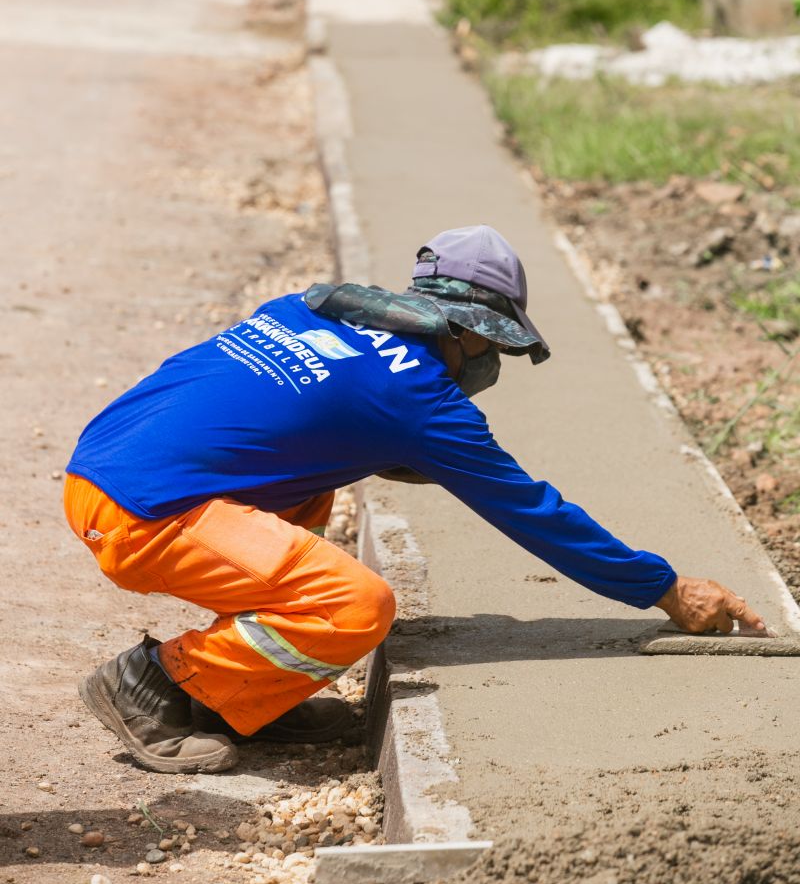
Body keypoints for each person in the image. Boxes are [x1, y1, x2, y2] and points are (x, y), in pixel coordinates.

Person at [64, 225, 767, 775]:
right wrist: (667, 588)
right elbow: (532, 512)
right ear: (461, 326)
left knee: (313, 488)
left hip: (102, 462)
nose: (489, 360)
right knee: (355, 607)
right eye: (491, 341)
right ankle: (153, 685)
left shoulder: (308, 309)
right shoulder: (421, 400)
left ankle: (238, 696)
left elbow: (250, 407)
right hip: (142, 513)